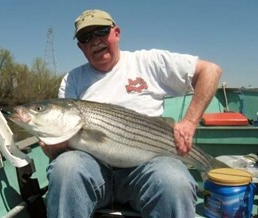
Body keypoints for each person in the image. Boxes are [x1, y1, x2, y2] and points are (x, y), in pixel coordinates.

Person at [40, 9, 222, 218]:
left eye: (101, 31)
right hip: (93, 170)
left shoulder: (148, 61)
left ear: (116, 33)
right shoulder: (72, 79)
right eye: (85, 37)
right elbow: (56, 153)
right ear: (80, 46)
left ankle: (210, 167)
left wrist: (189, 122)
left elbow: (210, 71)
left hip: (148, 168)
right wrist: (53, 148)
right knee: (65, 168)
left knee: (174, 180)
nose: (95, 40)